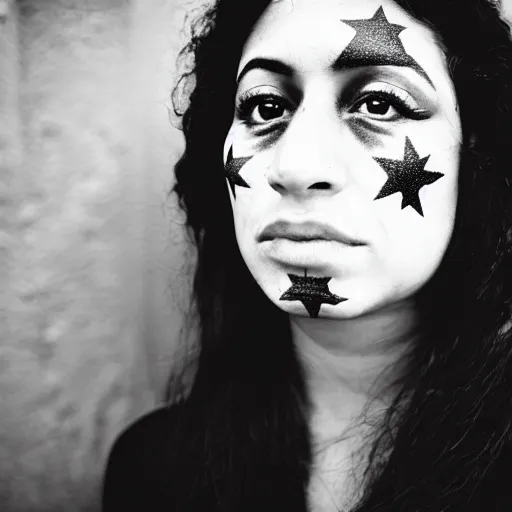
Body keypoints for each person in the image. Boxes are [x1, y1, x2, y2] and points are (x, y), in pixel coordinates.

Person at [102, 0, 512, 510]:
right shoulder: (151, 470)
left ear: (475, 152)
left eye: (380, 104)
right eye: (265, 107)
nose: (296, 166)